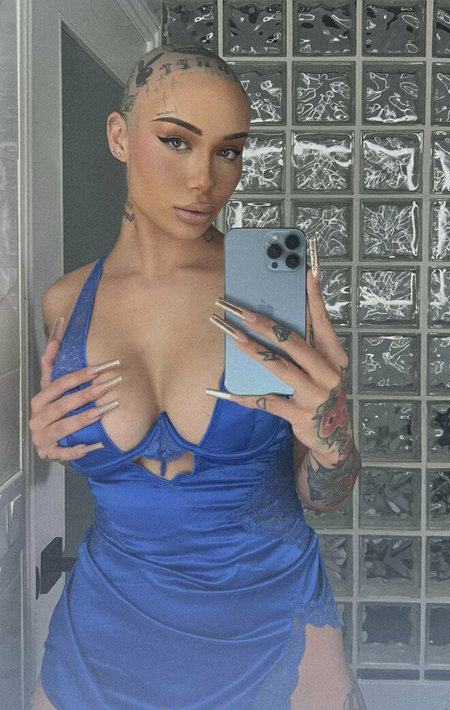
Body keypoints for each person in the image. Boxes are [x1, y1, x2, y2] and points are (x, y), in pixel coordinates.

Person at [29, 44, 365, 710]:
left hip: (270, 624)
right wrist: (45, 443)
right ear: (119, 136)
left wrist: (333, 435)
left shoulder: (266, 290)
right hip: (105, 632)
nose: (204, 179)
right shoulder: (65, 303)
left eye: (228, 152)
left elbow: (324, 494)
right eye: (177, 141)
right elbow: (72, 453)